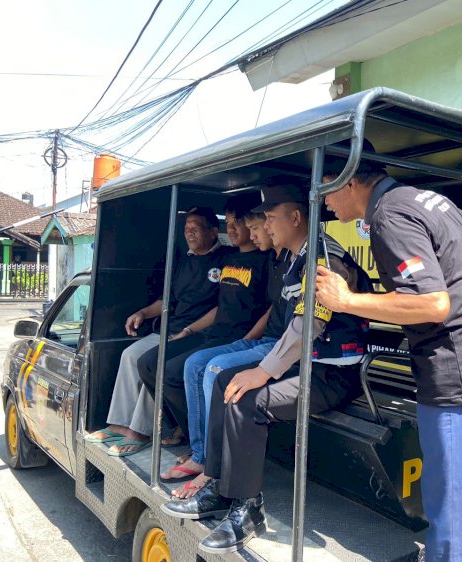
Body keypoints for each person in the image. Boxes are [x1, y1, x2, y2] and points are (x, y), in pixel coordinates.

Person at [314, 142, 462, 562]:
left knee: (451, 514)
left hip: (455, 374)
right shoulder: (428, 199)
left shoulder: (387, 216)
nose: (325, 201)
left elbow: (434, 304)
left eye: (326, 190)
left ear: (349, 181)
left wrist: (346, 300)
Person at [160, 184, 373, 554]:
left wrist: (264, 371)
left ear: (295, 218)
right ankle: (217, 483)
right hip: (308, 364)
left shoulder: (324, 260)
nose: (266, 225)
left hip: (332, 373)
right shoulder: (299, 257)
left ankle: (247, 509)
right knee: (224, 378)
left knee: (247, 400)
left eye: (271, 218)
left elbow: (310, 324)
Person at [160, 201, 292, 496]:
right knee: (194, 364)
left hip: (273, 344)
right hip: (252, 340)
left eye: (261, 224)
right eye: (261, 224)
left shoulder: (285, 261)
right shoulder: (276, 259)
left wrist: (243, 342)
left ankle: (213, 468)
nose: (261, 230)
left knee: (215, 368)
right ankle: (201, 453)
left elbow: (275, 313)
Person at [132, 194, 271, 456]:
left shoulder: (265, 260)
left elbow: (269, 309)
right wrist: (188, 330)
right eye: (228, 223)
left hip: (237, 338)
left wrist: (247, 341)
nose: (232, 229)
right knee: (148, 363)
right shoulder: (228, 258)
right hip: (210, 332)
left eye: (239, 223)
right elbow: (218, 304)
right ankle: (184, 426)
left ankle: (199, 442)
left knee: (176, 371)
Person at [84, 206, 232, 452]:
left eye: (196, 228)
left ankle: (141, 430)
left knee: (151, 363)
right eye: (186, 229)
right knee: (129, 355)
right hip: (170, 329)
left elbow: (222, 307)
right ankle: (119, 424)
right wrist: (141, 313)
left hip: (197, 334)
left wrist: (190, 330)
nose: (190, 233)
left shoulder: (225, 259)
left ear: (214, 231)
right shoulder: (184, 262)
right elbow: (166, 301)